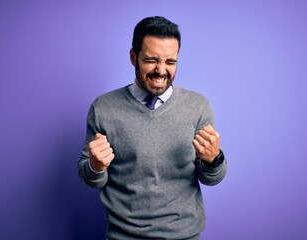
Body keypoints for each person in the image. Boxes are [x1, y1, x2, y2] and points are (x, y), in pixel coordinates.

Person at [78, 16, 227, 240]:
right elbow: (89, 176)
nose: (161, 70)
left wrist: (214, 160)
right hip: (124, 236)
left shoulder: (198, 107)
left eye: (170, 61)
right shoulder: (104, 108)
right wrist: (96, 166)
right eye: (151, 60)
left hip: (185, 235)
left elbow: (211, 178)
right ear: (133, 57)